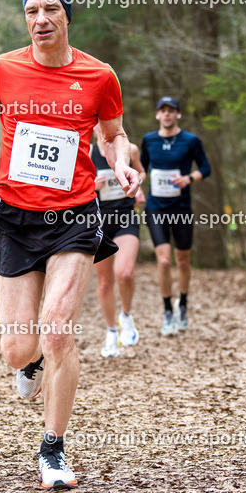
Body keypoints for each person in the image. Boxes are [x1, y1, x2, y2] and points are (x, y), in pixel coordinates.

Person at [0, 0, 139, 490]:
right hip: (15, 218)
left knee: (57, 330)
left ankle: (52, 449)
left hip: (74, 217)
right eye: (32, 10)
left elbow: (113, 134)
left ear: (67, 15)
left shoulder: (99, 76)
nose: (40, 19)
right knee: (17, 349)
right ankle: (29, 361)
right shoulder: (2, 69)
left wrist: (121, 164)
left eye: (51, 9)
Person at [140, 96, 211, 336]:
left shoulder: (191, 140)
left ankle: (183, 303)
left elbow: (205, 168)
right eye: (163, 111)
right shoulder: (149, 140)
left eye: (171, 111)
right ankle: (167, 309)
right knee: (163, 260)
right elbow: (142, 169)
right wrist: (136, 187)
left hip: (181, 209)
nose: (167, 115)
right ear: (157, 115)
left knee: (182, 260)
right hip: (155, 207)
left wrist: (189, 178)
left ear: (178, 114)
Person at [91, 124, 146, 357]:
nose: (100, 126)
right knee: (104, 283)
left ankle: (126, 316)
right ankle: (111, 331)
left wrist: (138, 186)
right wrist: (91, 185)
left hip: (125, 217)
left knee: (124, 272)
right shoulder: (85, 152)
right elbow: (73, 184)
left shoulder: (130, 149)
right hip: (97, 221)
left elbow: (141, 172)